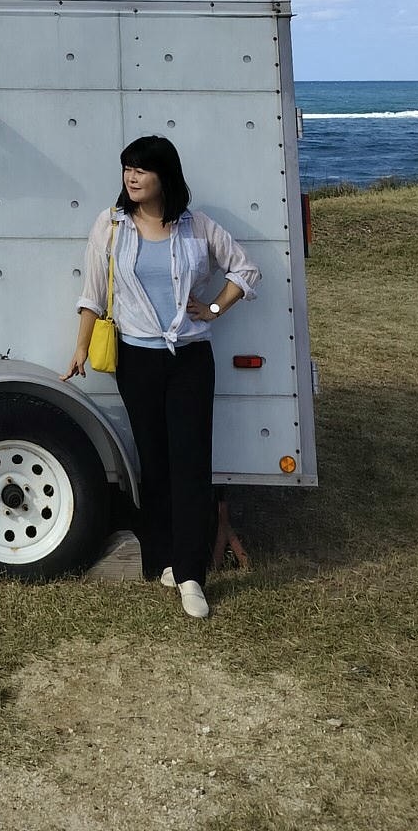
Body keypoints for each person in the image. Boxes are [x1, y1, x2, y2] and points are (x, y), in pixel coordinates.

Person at [64, 134, 260, 620]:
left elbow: (245, 271)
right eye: (127, 168)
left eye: (142, 169)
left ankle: (192, 575)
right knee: (154, 463)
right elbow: (93, 293)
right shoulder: (111, 226)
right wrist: (81, 347)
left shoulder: (197, 227)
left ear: (164, 176)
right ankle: (165, 560)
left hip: (190, 359)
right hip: (137, 361)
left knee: (190, 464)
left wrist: (213, 308)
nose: (131, 177)